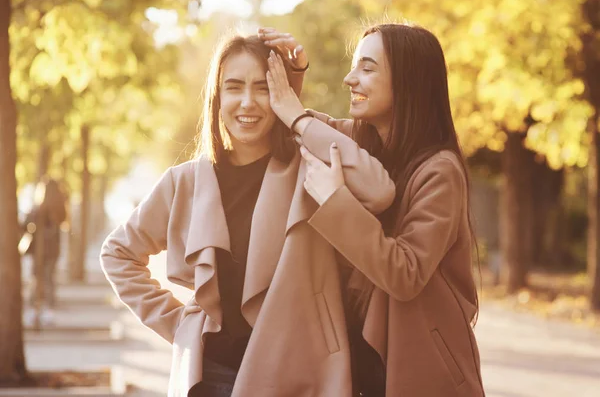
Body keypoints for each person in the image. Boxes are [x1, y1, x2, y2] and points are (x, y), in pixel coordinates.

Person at [100, 33, 395, 397]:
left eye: (262, 89)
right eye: (234, 87)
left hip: (302, 377)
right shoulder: (186, 182)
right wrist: (179, 324)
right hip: (214, 378)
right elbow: (117, 254)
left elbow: (379, 190)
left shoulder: (309, 167)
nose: (247, 102)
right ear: (217, 98)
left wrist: (296, 115)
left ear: (280, 96)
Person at [261, 24, 485, 396]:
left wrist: (336, 203)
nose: (350, 78)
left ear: (408, 81)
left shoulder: (440, 171)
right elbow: (300, 132)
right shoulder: (359, 143)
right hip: (359, 368)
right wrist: (291, 77)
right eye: (354, 67)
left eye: (367, 68)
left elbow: (405, 273)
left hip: (424, 375)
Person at [21, 176, 67, 327]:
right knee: (46, 280)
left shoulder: (44, 209)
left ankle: (39, 310)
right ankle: (44, 311)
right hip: (49, 252)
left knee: (39, 280)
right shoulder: (56, 209)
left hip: (43, 252)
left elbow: (26, 225)